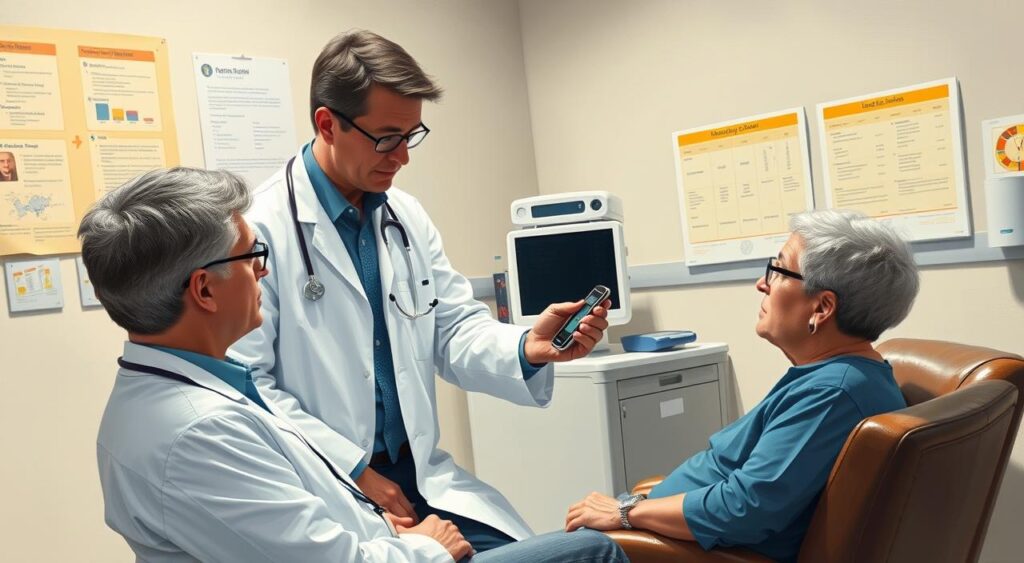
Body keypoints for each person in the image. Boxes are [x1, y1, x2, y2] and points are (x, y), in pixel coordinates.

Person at [84, 167, 627, 562]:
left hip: (388, 520)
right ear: (204, 289)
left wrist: (379, 529)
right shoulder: (199, 432)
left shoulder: (193, 392)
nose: (264, 274)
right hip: (393, 543)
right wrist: (420, 549)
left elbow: (292, 524)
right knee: (590, 552)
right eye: (253, 258)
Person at [229, 29, 612, 552]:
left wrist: (527, 346)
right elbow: (249, 386)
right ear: (327, 124)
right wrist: (352, 469)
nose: (403, 157)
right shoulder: (260, 229)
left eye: (412, 136)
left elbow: (452, 328)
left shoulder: (405, 217)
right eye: (387, 137)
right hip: (328, 482)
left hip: (421, 475)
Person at [565, 209, 920, 563]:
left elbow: (743, 508)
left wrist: (625, 513)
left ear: (822, 307)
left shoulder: (832, 395)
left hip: (652, 551)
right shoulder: (838, 376)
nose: (762, 284)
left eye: (777, 270)